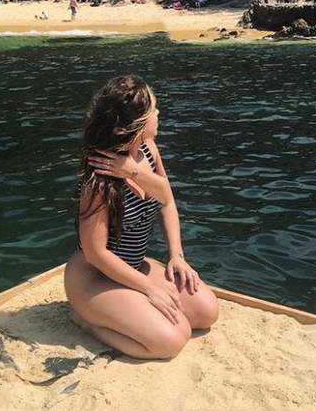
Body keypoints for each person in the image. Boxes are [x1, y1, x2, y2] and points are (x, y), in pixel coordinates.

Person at [64, 75, 219, 360]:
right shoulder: (101, 178)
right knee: (172, 340)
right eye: (153, 110)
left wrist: (177, 256)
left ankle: (129, 304)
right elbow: (95, 253)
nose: (159, 114)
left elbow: (166, 199)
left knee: (206, 312)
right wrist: (150, 288)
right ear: (136, 124)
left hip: (134, 266)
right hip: (94, 278)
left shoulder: (148, 149)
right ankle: (85, 320)